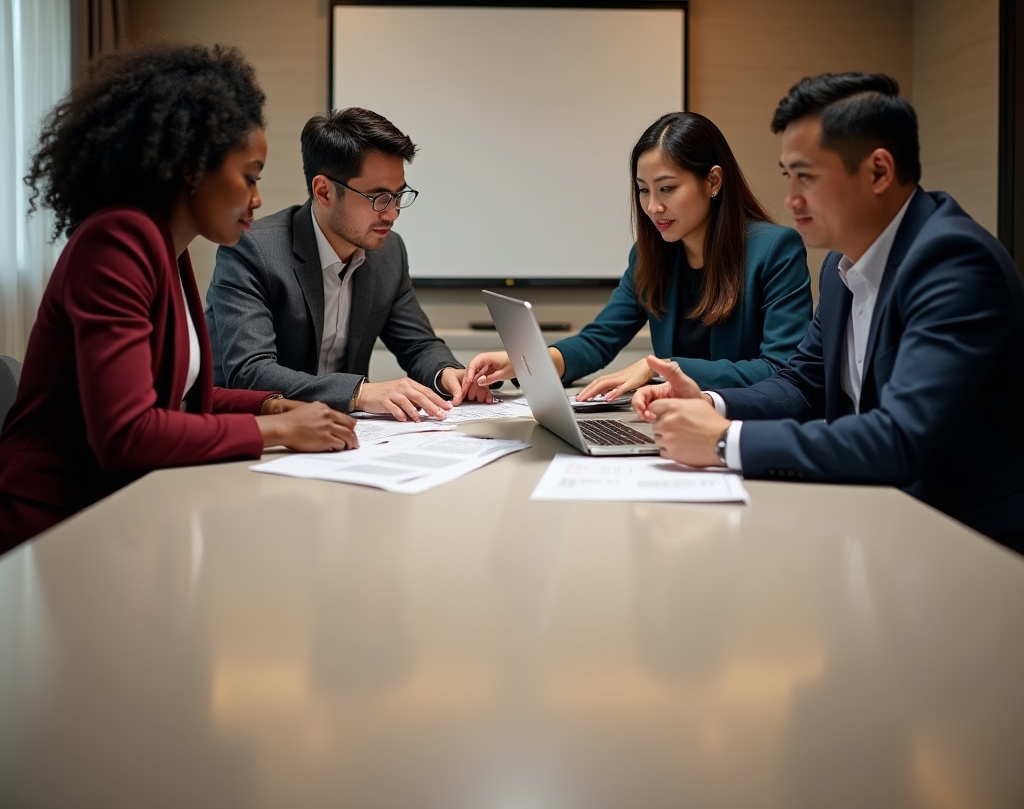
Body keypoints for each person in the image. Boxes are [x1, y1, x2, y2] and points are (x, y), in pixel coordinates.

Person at [634, 73, 1024, 552]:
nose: (790, 200)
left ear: (879, 172)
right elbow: (802, 384)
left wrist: (724, 441)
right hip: (876, 515)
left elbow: (898, 437)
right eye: (788, 176)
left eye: (807, 177)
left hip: (964, 539)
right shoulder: (844, 264)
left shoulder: (954, 262)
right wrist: (711, 404)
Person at [0, 40, 359, 555]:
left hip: (122, 505)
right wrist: (276, 430)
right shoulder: (117, 241)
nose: (258, 199)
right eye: (249, 177)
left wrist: (280, 405)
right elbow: (127, 433)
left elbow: (182, 398)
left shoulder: (173, 250)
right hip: (54, 525)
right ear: (192, 167)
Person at [459, 111, 813, 402]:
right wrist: (526, 362)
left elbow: (780, 369)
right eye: (644, 190)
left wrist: (663, 367)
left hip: (739, 424)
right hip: (668, 423)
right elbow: (598, 339)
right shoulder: (649, 257)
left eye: (668, 188)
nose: (653, 206)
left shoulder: (775, 250)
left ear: (713, 181)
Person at [206, 107, 491, 421]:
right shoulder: (253, 249)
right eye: (378, 198)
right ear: (324, 191)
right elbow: (251, 373)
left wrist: (447, 373)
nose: (393, 214)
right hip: (256, 434)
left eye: (398, 196)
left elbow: (419, 344)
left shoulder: (389, 252)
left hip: (344, 438)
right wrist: (360, 393)